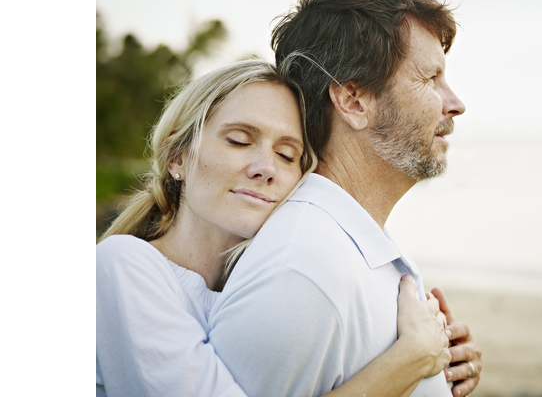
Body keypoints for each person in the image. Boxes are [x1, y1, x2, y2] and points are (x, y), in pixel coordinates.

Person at [96, 59, 453, 396]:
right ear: (178, 156)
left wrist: (442, 367)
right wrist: (412, 359)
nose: (265, 168)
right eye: (238, 140)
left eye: (287, 155)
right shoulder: (123, 265)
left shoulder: (261, 285)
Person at [207, 0, 482, 397]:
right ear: (353, 101)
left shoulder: (347, 243)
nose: (455, 104)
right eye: (430, 79)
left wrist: (435, 378)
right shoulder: (302, 269)